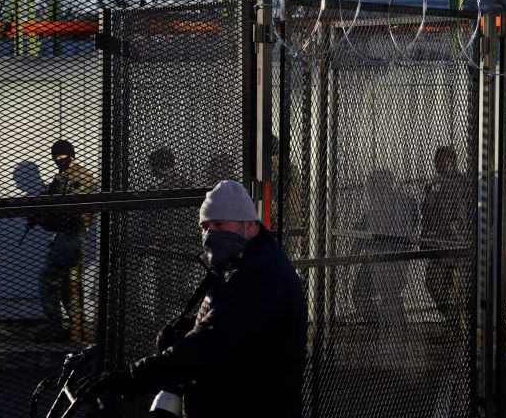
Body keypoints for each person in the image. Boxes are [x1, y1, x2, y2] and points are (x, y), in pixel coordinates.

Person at [76, 180, 307, 417]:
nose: (209, 234)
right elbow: (233, 325)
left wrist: (126, 379)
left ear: (249, 226)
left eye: (219, 224)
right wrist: (188, 328)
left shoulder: (259, 275)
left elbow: (210, 342)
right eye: (204, 227)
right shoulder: (242, 263)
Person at [32, 140, 97, 343]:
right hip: (67, 236)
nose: (58, 160)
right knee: (69, 284)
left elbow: (68, 210)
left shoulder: (79, 177)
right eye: (56, 157)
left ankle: (58, 326)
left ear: (71, 155)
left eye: (62, 156)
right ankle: (76, 329)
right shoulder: (63, 177)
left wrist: (44, 217)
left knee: (49, 280)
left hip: (72, 236)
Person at [353, 170, 417, 325]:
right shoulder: (403, 203)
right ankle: (383, 321)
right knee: (363, 293)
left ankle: (385, 322)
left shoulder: (401, 204)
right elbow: (358, 238)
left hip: (390, 262)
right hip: (381, 261)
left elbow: (357, 242)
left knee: (375, 294)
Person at [421, 146, 469, 331]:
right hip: (439, 245)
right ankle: (452, 320)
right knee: (433, 283)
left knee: (459, 288)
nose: (446, 164)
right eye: (441, 161)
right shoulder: (434, 184)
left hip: (459, 244)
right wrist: (426, 236)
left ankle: (460, 327)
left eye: (449, 160)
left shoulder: (464, 182)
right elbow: (428, 214)